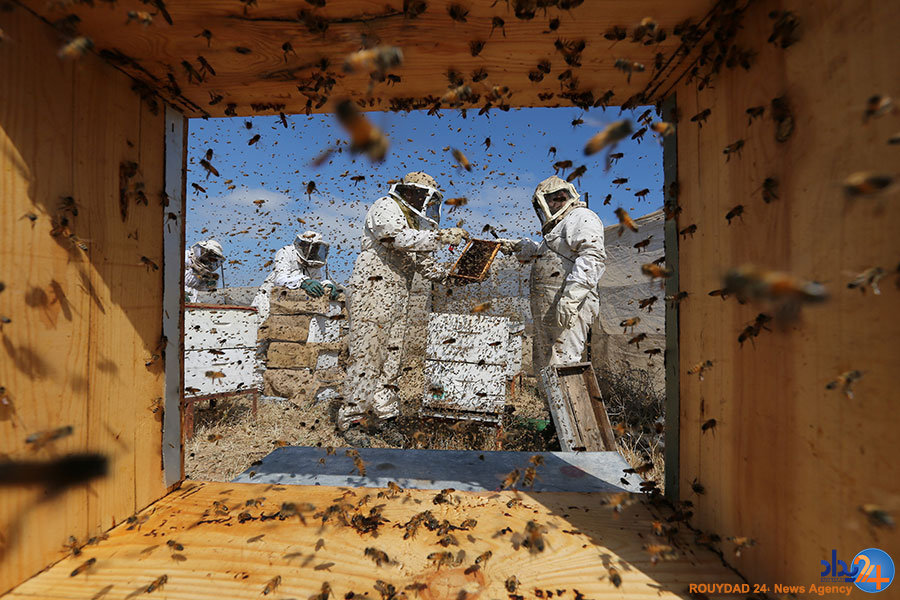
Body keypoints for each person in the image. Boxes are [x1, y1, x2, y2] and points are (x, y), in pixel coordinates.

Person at [339, 171, 467, 442]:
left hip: (398, 295)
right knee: (367, 355)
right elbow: (394, 238)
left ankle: (386, 418)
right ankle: (352, 420)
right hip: (371, 291)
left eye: (426, 197)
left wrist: (451, 275)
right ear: (407, 191)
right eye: (419, 195)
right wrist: (442, 237)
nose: (422, 201)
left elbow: (424, 264)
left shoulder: (416, 225)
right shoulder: (385, 206)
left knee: (392, 359)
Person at [500, 175, 607, 374]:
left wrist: (571, 298)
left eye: (553, 199)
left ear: (562, 197)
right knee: (546, 367)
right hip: (549, 309)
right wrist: (518, 245)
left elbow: (593, 257)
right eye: (547, 201)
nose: (550, 204)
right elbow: (547, 254)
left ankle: (566, 406)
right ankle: (551, 406)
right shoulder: (560, 226)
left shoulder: (581, 216)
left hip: (566, 306)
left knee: (562, 365)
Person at [251, 231, 340, 322]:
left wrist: (327, 284)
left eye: (318, 249)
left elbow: (316, 281)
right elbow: (280, 279)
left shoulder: (314, 263)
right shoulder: (286, 252)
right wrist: (303, 281)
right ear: (305, 246)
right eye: (315, 248)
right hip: (268, 300)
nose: (316, 252)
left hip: (291, 303)